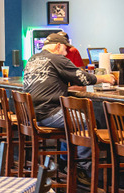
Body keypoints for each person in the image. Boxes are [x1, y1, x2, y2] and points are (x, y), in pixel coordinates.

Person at [23, 32, 116, 182]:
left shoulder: (32, 59)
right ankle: (82, 166)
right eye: (66, 49)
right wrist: (104, 78)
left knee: (71, 123)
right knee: (86, 122)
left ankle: (65, 161)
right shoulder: (56, 58)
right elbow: (83, 77)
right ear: (58, 46)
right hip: (48, 113)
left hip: (31, 115)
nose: (67, 53)